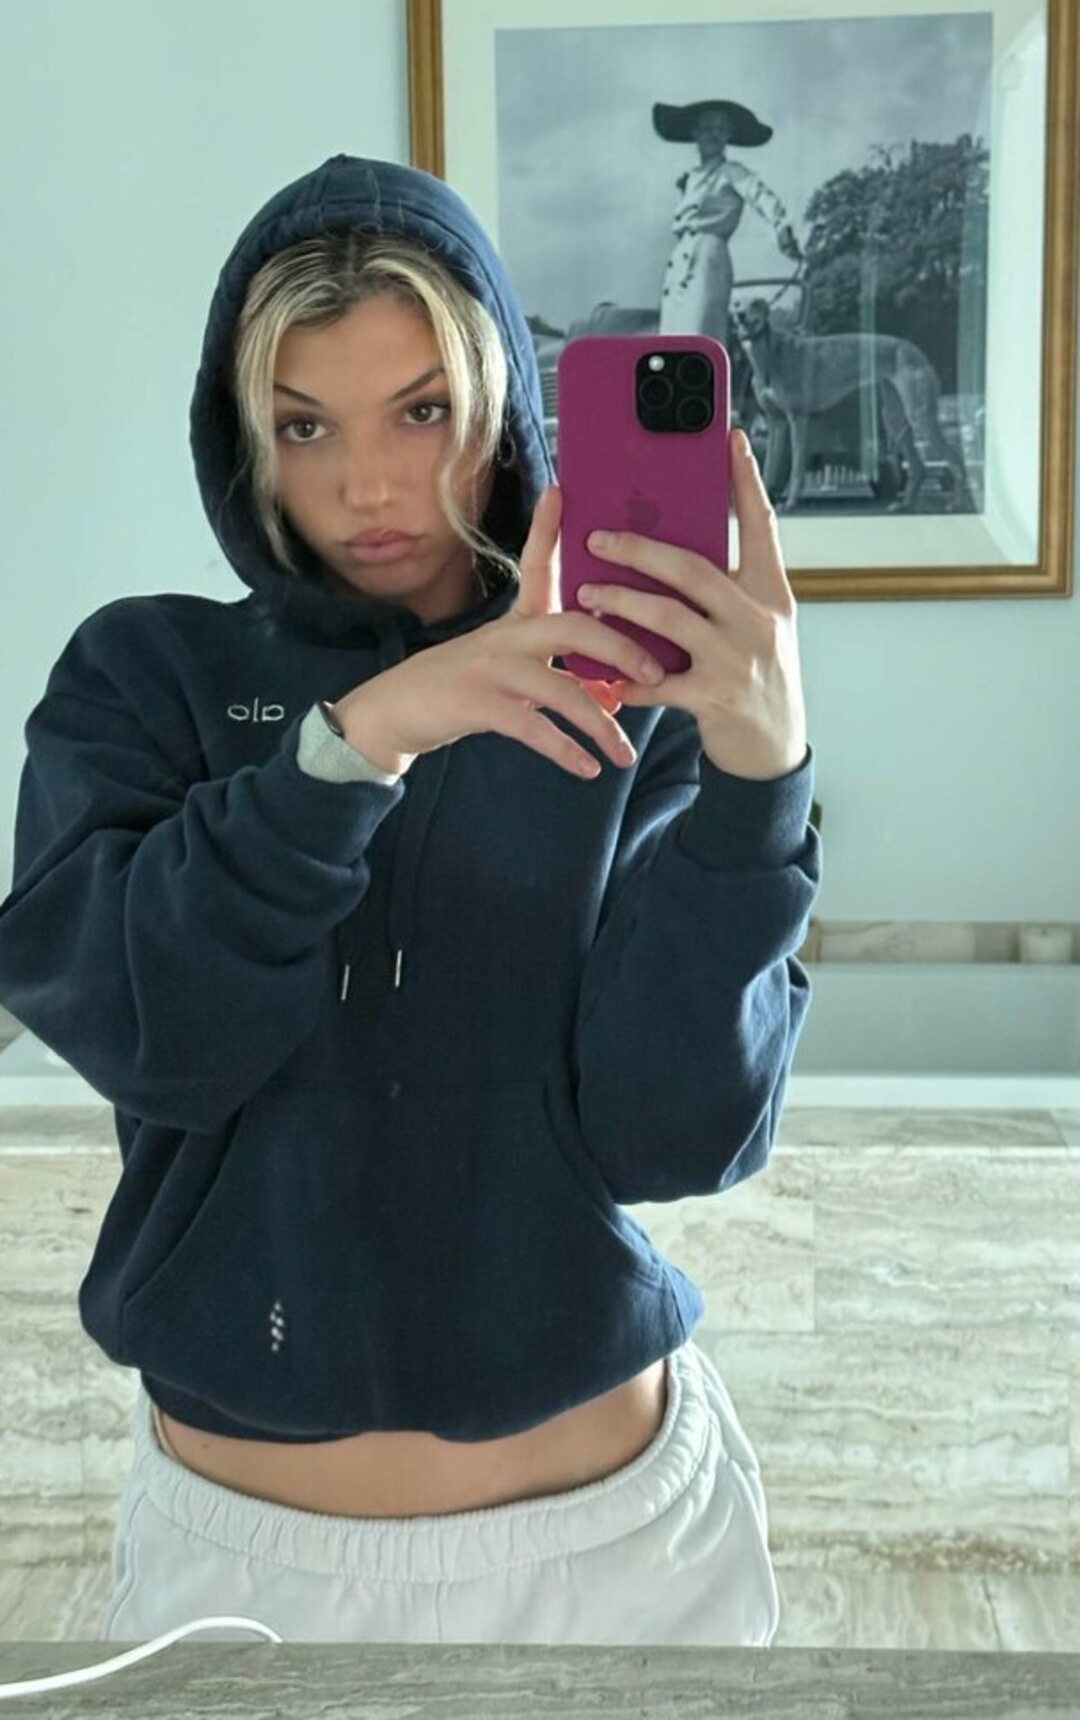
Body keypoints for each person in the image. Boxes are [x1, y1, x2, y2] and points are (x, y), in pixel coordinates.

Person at [0, 153, 819, 1648]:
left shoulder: (626, 697)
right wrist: (355, 744)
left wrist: (762, 784)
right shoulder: (142, 677)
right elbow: (158, 1036)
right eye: (304, 423)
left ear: (500, 404)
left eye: (422, 410)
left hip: (621, 1548)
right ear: (242, 434)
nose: (367, 486)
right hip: (241, 1572)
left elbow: (677, 1131)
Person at [654, 99, 802, 348]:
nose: (714, 135)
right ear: (695, 133)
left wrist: (781, 226)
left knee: (698, 335)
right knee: (671, 341)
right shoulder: (690, 179)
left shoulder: (731, 171)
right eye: (707, 128)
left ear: (728, 136)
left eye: (721, 129)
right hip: (678, 264)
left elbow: (760, 195)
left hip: (707, 260)